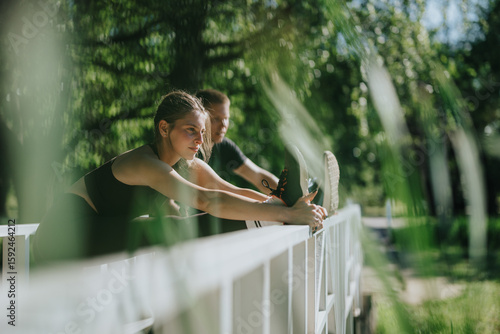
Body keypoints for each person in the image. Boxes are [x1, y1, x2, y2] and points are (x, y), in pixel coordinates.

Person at [32, 91, 327, 263]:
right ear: (164, 128)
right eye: (190, 130)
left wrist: (277, 202)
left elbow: (229, 190)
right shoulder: (145, 163)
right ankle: (277, 212)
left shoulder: (188, 163)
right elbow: (206, 200)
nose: (200, 140)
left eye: (202, 133)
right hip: (62, 235)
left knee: (168, 226)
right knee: (167, 229)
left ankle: (282, 204)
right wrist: (285, 213)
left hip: (100, 228)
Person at [195, 89, 279, 193]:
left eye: (226, 118)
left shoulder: (224, 146)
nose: (223, 125)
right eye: (216, 119)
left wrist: (288, 196)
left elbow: (258, 176)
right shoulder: (188, 148)